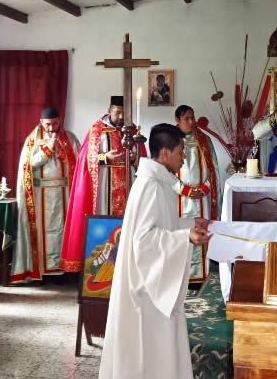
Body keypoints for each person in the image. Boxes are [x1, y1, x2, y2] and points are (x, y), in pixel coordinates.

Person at [98, 123, 212, 378]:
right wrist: (186, 237)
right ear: (165, 153)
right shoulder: (150, 185)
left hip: (152, 280)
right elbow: (144, 240)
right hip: (146, 289)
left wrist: (189, 224)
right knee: (148, 351)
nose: (184, 158)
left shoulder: (158, 182)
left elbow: (161, 225)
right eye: (181, 152)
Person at [60, 96, 146, 272]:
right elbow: (85, 158)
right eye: (117, 112)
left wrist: (134, 159)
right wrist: (105, 157)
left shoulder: (133, 131)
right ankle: (101, 268)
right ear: (109, 110)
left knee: (129, 224)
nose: (121, 117)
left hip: (129, 186)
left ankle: (127, 268)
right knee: (105, 226)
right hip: (104, 188)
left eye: (124, 113)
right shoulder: (97, 130)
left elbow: (143, 159)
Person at [12, 107, 80, 282]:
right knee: (44, 234)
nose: (51, 128)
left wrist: (63, 152)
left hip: (65, 193)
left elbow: (79, 162)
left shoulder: (70, 138)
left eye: (55, 124)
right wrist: (47, 150)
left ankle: (63, 271)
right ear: (41, 122)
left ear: (59, 121)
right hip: (40, 194)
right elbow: (29, 165)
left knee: (62, 232)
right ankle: (42, 272)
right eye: (48, 124)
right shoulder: (32, 140)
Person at [174, 105, 220, 282]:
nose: (191, 122)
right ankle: (181, 276)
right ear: (177, 120)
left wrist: (204, 188)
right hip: (178, 197)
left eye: (192, 117)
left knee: (202, 231)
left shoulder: (204, 140)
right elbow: (166, 171)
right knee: (181, 233)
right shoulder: (171, 140)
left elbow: (213, 169)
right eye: (186, 119)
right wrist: (185, 190)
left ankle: (201, 275)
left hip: (202, 198)